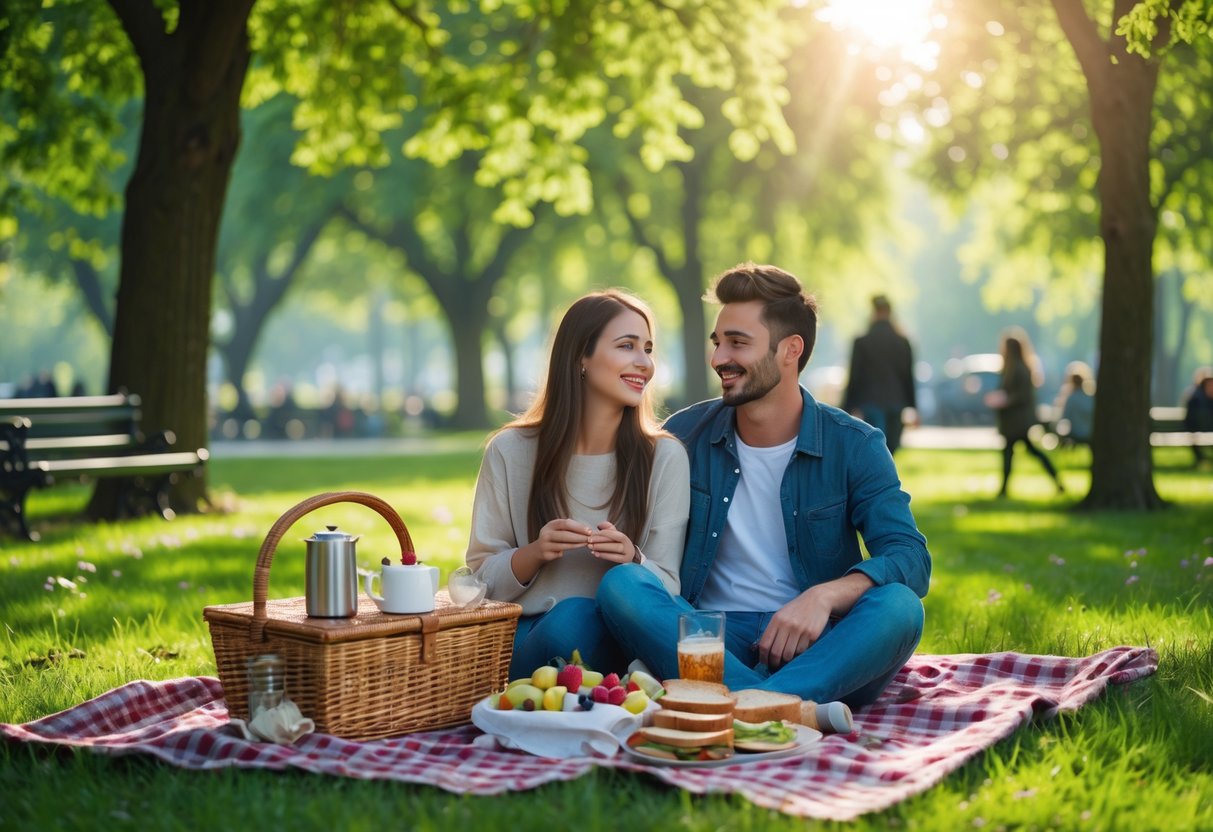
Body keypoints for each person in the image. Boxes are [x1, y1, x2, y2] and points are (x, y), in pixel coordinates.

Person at [596, 263, 930, 708]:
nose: (718, 359)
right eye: (718, 342)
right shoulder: (684, 436)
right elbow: (646, 554)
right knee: (623, 585)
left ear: (790, 350)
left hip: (818, 642)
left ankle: (733, 700)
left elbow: (910, 557)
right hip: (706, 636)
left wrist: (825, 596)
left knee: (900, 608)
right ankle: (782, 706)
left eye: (738, 342)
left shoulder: (855, 445)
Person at [465, 290, 690, 678]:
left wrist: (633, 560)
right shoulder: (510, 450)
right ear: (580, 358)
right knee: (571, 619)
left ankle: (756, 694)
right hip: (535, 635)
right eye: (627, 346)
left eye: (648, 349)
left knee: (621, 590)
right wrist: (534, 552)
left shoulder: (664, 457)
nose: (645, 363)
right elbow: (479, 581)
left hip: (621, 631)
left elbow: (668, 586)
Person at [984, 327, 1064, 497]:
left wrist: (1005, 400)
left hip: (1018, 422)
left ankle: (1005, 489)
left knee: (1014, 453)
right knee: (1020, 452)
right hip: (1014, 421)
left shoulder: (1019, 369)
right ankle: (1055, 481)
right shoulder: (1012, 368)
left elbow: (1022, 396)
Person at [842, 295, 918, 454]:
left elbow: (855, 376)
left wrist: (847, 407)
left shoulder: (862, 342)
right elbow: (908, 376)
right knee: (891, 448)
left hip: (870, 401)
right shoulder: (902, 342)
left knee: (875, 446)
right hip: (896, 401)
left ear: (873, 312)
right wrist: (913, 406)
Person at [1054, 361, 1095, 446]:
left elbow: (1065, 416)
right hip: (1090, 432)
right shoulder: (1090, 397)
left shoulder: (1071, 398)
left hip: (1076, 433)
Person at [1183, 368, 1213, 466]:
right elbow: (1193, 418)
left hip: (1205, 429)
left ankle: (1202, 461)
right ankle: (1201, 460)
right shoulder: (1196, 397)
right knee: (1194, 437)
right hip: (1197, 430)